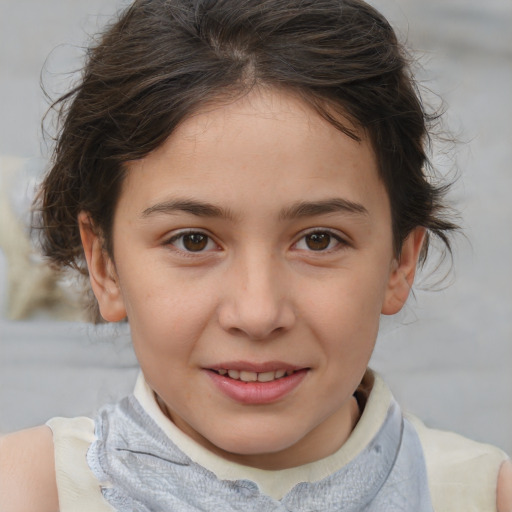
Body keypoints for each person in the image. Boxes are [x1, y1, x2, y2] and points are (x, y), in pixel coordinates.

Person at [0, 0, 511, 510]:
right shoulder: (29, 492)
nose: (258, 313)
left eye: (318, 240)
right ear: (104, 265)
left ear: (400, 261)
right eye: (193, 240)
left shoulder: (483, 497)